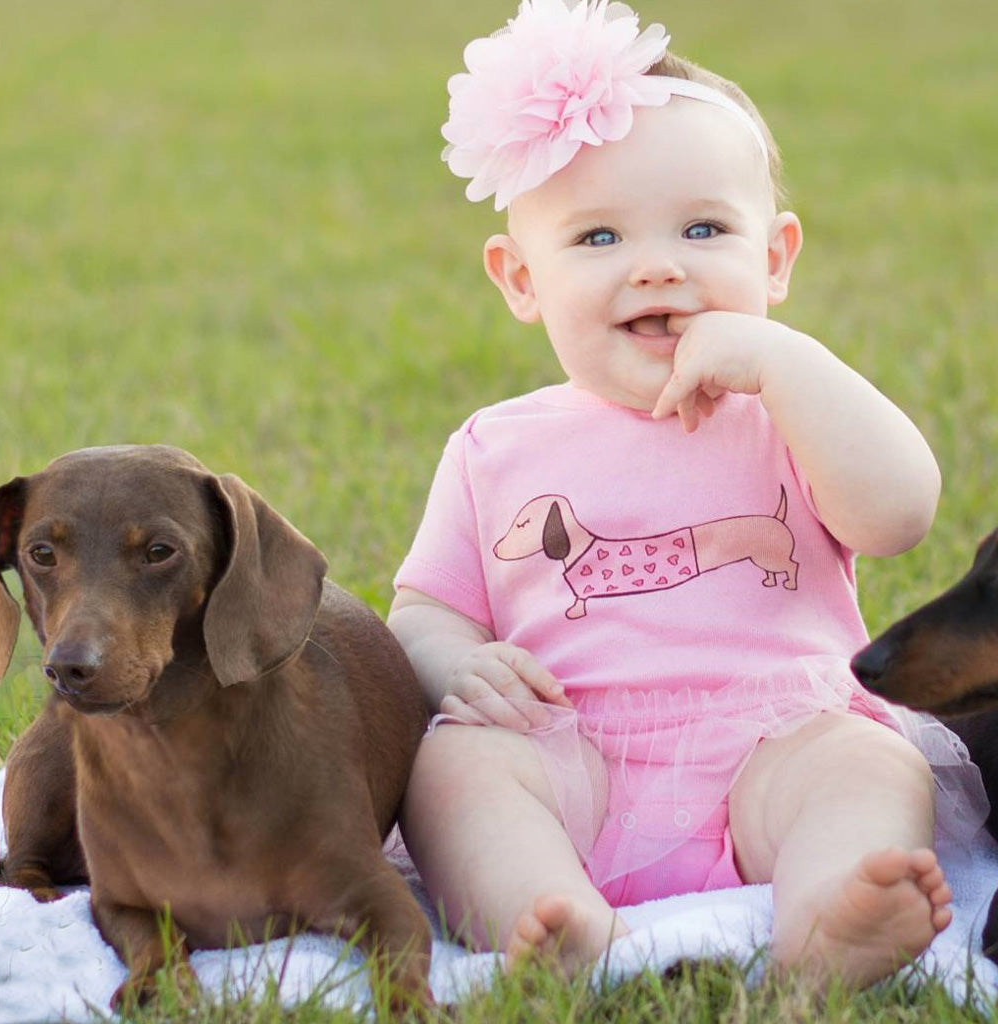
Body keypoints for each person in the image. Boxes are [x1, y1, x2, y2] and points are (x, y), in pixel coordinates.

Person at [388, 0, 984, 987]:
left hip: (774, 742)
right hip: (567, 750)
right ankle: (550, 915)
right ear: (520, 278)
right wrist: (455, 663)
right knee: (454, 771)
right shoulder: (496, 445)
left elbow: (900, 514)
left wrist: (785, 365)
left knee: (868, 762)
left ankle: (831, 914)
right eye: (597, 237)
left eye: (704, 228)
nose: (657, 265)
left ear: (774, 258)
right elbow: (424, 608)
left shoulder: (790, 411)